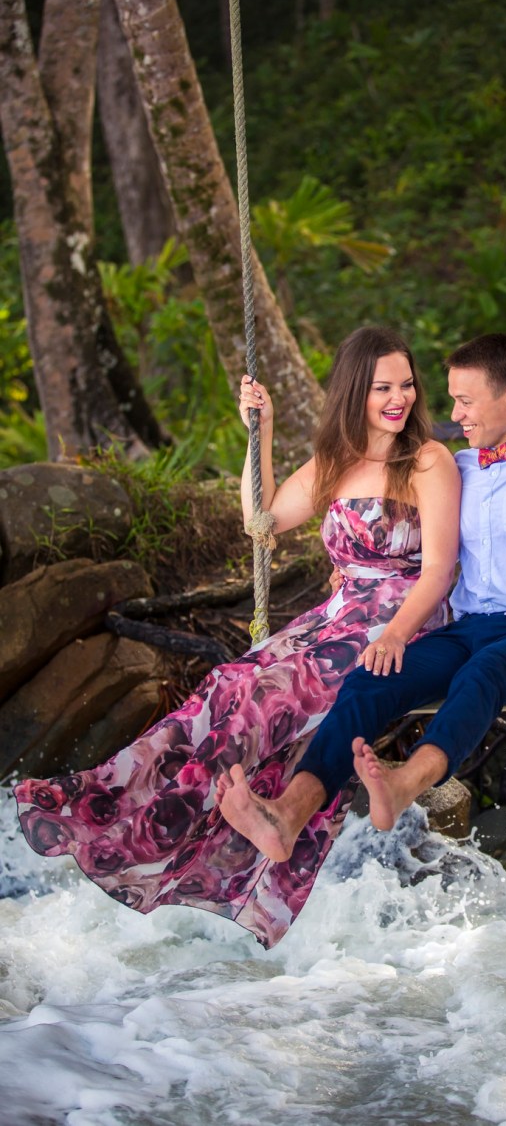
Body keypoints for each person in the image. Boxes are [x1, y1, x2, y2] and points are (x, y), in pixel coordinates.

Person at [14, 326, 460, 948]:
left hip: (400, 616)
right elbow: (264, 518)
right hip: (335, 614)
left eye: (406, 384)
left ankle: (235, 822)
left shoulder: (428, 461)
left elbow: (438, 569)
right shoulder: (336, 462)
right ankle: (127, 807)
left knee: (273, 694)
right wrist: (263, 429)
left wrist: (395, 636)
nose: (400, 398)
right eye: (383, 386)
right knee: (229, 681)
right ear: (355, 391)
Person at [216, 332, 506, 859]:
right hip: (463, 626)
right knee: (368, 681)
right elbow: (421, 545)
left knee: (484, 674)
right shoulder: (461, 467)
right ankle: (288, 812)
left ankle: (406, 782)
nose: (454, 412)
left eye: (465, 401)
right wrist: (350, 571)